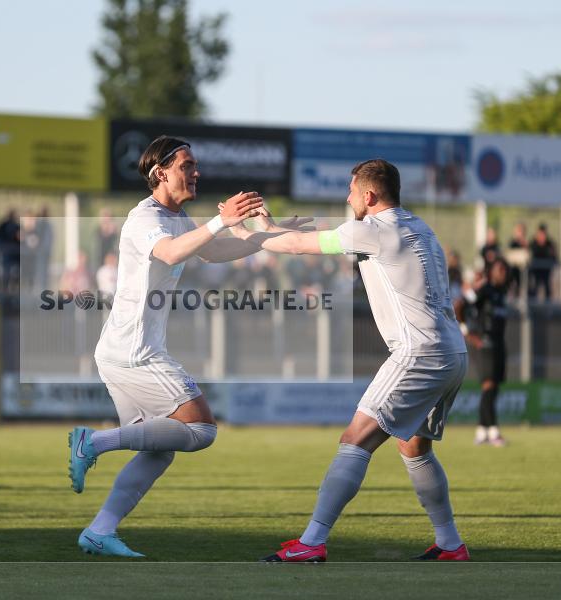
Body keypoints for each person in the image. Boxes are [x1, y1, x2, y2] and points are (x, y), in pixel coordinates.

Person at [230, 159, 470, 562]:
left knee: (354, 440)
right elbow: (304, 239)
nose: (347, 198)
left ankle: (311, 542)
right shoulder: (420, 228)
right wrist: (269, 229)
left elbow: (296, 248)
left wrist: (242, 232)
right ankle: (450, 544)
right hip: (452, 352)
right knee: (414, 448)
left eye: (351, 190)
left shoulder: (371, 230)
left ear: (369, 196)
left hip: (419, 353)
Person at [68, 135, 264, 558]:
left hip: (123, 349)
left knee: (159, 452)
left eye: (194, 165)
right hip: (135, 351)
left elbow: (211, 253)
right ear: (160, 174)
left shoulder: (178, 216)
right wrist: (220, 221)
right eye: (186, 165)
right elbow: (173, 253)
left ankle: (100, 530)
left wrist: (264, 236)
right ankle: (93, 442)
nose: (195, 172)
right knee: (201, 429)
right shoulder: (145, 218)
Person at [459, 258, 510, 446]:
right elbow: (460, 304)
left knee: (494, 388)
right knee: (488, 387)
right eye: (499, 269)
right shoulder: (485, 290)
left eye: (504, 269)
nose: (503, 273)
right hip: (484, 343)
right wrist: (466, 331)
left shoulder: (501, 292)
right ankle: (494, 432)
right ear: (492, 272)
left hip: (498, 343)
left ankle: (481, 431)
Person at [528, 224, 556, 301]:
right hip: (535, 271)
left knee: (547, 288)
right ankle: (532, 303)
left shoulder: (549, 244)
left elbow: (554, 257)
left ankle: (548, 306)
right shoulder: (533, 244)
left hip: (546, 271)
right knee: (534, 288)